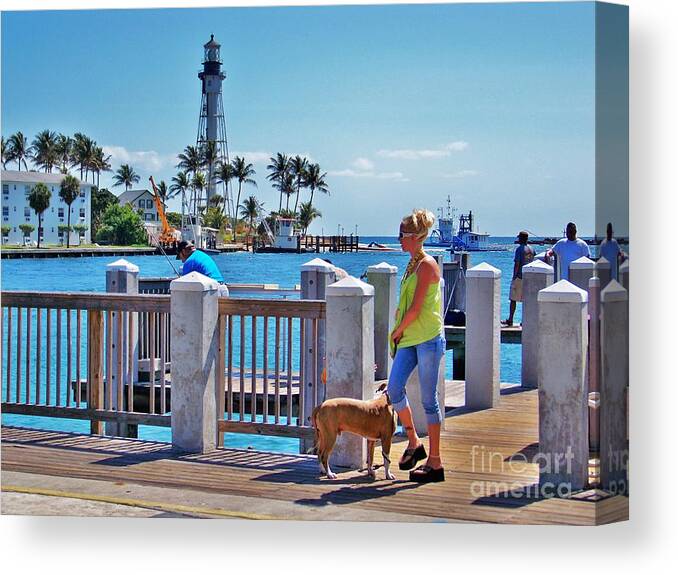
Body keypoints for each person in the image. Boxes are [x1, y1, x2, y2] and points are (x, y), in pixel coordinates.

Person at [387, 208, 446, 483]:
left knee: (428, 400)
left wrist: (397, 330)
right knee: (394, 388)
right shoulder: (412, 264)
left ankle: (435, 463)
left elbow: (416, 308)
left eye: (402, 235)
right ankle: (413, 441)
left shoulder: (428, 266)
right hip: (410, 338)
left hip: (428, 339)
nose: (399, 239)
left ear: (414, 237)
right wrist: (400, 331)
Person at [502, 231, 535, 327]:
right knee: (526, 300)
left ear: (521, 238)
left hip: (519, 276)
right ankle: (525, 320)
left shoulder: (519, 249)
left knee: (513, 298)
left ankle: (510, 319)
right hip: (528, 277)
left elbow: (517, 264)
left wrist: (514, 276)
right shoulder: (532, 249)